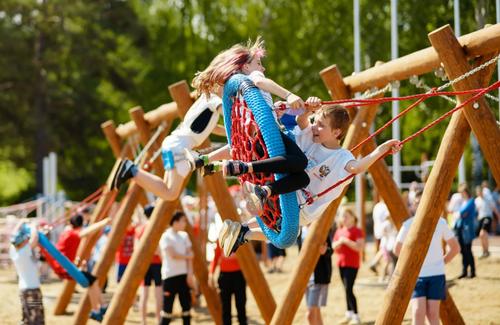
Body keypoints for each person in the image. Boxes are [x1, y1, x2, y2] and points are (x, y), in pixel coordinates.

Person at [217, 103, 401, 256]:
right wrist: (309, 109)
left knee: (285, 232)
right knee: (281, 223)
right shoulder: (312, 138)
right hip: (286, 190)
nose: (315, 126)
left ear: (337, 133)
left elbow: (358, 167)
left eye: (321, 125)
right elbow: (301, 121)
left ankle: (243, 231)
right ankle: (245, 225)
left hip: (302, 207)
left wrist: (382, 149)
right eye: (316, 121)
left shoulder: (342, 157)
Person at [190, 36, 310, 209]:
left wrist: (276, 110)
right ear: (246, 66)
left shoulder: (236, 92)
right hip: (264, 134)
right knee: (301, 162)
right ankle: (245, 168)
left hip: (252, 142)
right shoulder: (251, 78)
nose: (263, 67)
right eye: (259, 63)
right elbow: (260, 80)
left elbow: (255, 108)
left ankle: (264, 192)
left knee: (302, 178)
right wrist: (288, 95)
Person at [109, 90, 225, 201]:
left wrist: (231, 132)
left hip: (173, 144)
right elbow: (225, 111)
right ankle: (131, 170)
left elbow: (213, 128)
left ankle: (132, 170)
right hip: (180, 147)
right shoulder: (214, 100)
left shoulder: (204, 99)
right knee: (171, 193)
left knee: (166, 189)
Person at [394, 190, 460, 325]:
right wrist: (411, 265)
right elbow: (397, 249)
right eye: (416, 203)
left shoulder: (440, 223)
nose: (418, 206)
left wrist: (441, 262)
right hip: (417, 276)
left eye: (421, 203)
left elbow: (455, 248)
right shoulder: (408, 225)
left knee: (433, 315)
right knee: (417, 312)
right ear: (412, 206)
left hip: (436, 275)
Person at [159, 211, 194, 325]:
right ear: (175, 221)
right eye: (183, 220)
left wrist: (190, 273)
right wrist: (187, 256)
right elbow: (172, 254)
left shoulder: (184, 235)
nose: (185, 223)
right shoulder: (166, 236)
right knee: (167, 311)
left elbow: (190, 257)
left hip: (183, 276)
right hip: (169, 276)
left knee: (186, 309)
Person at [9, 219, 45, 325]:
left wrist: (21, 222)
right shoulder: (24, 252)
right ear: (23, 241)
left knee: (27, 319)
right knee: (36, 319)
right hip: (32, 290)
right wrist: (33, 225)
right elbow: (35, 238)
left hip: (23, 289)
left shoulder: (14, 250)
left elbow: (14, 234)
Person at [332, 209, 364, 325]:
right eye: (342, 216)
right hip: (341, 264)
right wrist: (339, 243)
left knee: (348, 289)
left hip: (352, 264)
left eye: (346, 216)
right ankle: (349, 314)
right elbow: (333, 246)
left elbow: (359, 247)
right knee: (346, 289)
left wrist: (346, 241)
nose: (344, 218)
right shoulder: (339, 231)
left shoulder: (357, 230)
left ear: (352, 217)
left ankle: (356, 316)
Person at [136, 205, 163, 325]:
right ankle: (158, 319)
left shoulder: (140, 228)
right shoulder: (156, 227)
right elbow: (158, 248)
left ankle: (143, 320)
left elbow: (137, 247)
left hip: (144, 263)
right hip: (157, 263)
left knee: (144, 292)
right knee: (158, 292)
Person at [209, 243, 247, 325]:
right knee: (225, 306)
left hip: (238, 275)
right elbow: (216, 257)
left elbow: (247, 257)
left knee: (241, 304)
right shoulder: (221, 238)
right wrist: (211, 273)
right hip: (224, 276)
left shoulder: (240, 237)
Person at [301, 226, 333, 325]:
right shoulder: (300, 230)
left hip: (318, 277)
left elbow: (330, 250)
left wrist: (325, 250)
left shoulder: (320, 228)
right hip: (306, 277)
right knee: (316, 313)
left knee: (310, 315)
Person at [454, 184, 477, 279]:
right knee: (463, 250)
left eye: (461, 192)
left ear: (466, 192)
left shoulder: (471, 201)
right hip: (461, 228)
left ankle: (472, 271)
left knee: (468, 250)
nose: (461, 194)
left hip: (467, 230)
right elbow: (460, 213)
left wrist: (459, 214)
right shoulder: (464, 201)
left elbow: (462, 212)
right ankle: (464, 271)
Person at [475, 185, 498, 259]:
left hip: (487, 217)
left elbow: (494, 208)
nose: (479, 193)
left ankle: (487, 250)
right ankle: (484, 251)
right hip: (481, 218)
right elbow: (477, 211)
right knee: (481, 235)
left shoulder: (488, 199)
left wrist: (498, 216)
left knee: (482, 233)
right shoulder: (477, 200)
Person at [368, 197, 389, 275]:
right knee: (386, 250)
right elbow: (387, 217)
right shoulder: (384, 206)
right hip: (385, 230)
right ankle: (376, 264)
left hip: (379, 229)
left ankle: (374, 262)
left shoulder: (377, 206)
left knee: (383, 248)